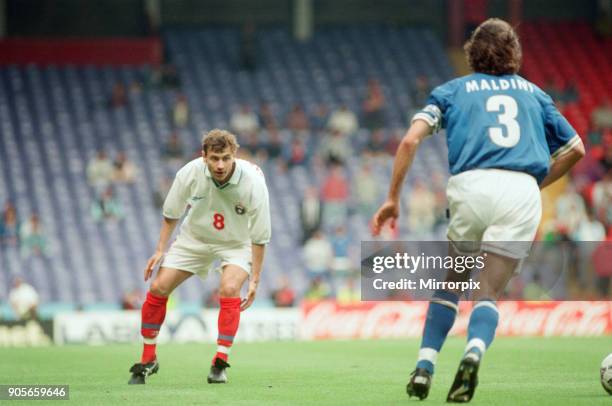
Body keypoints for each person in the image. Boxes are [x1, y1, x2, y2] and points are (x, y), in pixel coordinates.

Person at [372, 19, 585, 402]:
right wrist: (534, 183)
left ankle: (425, 365)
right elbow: (576, 149)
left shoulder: (452, 90)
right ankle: (474, 353)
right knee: (487, 292)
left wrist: (392, 198)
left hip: (471, 186)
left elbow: (409, 140)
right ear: (514, 53)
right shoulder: (535, 95)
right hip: (521, 189)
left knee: (453, 281)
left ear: (472, 52)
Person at [128, 129, 271, 385]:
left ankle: (220, 362)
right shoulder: (189, 172)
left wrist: (255, 279)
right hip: (194, 239)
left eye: (225, 158)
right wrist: (160, 249)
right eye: (214, 158)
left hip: (236, 243)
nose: (220, 164)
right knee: (158, 286)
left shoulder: (253, 182)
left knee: (228, 288)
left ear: (234, 155)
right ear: (203, 156)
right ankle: (149, 358)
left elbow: (260, 237)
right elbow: (172, 213)